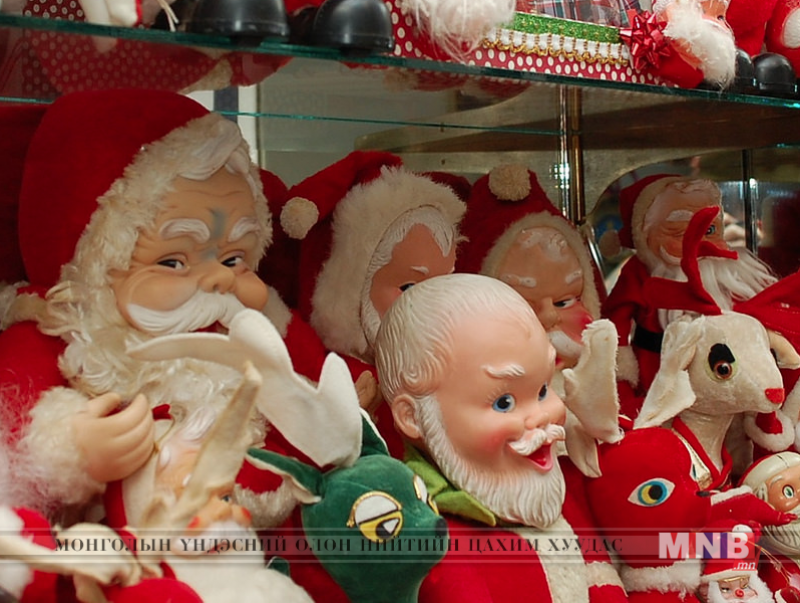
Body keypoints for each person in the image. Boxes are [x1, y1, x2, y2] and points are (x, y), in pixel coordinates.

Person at [0, 88, 290, 526]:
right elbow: (15, 437)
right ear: (96, 265)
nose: (219, 280)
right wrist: (73, 453)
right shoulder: (49, 335)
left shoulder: (253, 328)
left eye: (235, 259)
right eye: (173, 262)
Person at [374, 273, 627, 603]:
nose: (541, 417)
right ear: (413, 416)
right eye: (503, 402)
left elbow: (598, 573)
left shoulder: (546, 491)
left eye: (542, 390)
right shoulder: (438, 548)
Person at [270, 151, 467, 456]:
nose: (434, 303)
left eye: (444, 283)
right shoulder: (333, 374)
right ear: (347, 292)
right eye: (408, 287)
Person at [602, 175, 776, 398]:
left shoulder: (732, 272)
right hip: (661, 378)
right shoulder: (640, 273)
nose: (700, 242)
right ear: (644, 236)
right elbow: (615, 320)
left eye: (710, 230)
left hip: (737, 380)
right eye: (682, 233)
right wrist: (622, 370)